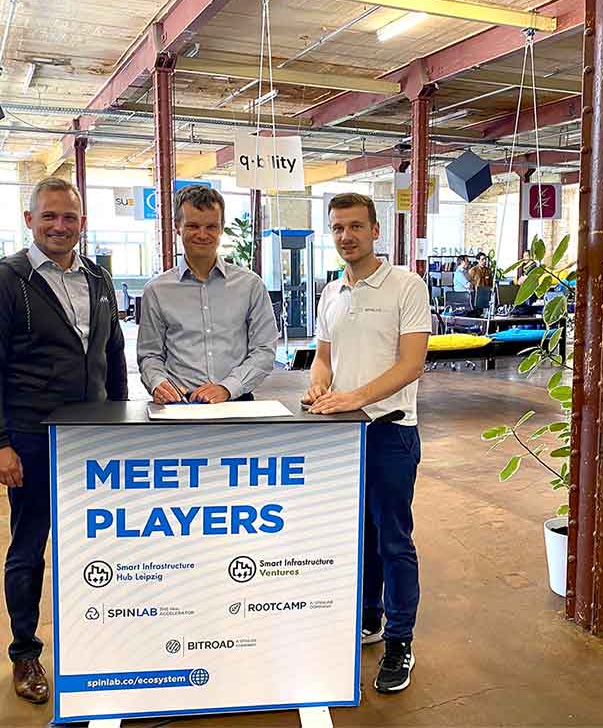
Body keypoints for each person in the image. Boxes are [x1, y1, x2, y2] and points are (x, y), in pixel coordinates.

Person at [0, 176, 126, 705]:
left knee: (100, 544)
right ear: (28, 220)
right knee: (30, 546)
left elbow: (113, 354)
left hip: (94, 438)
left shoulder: (99, 279)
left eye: (70, 217)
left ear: (82, 223)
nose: (61, 226)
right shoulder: (3, 282)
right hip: (32, 439)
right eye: (50, 216)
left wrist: (122, 420)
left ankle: (99, 639)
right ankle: (25, 652)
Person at [302, 192, 430, 694]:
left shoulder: (405, 285)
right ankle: (370, 618)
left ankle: (401, 641)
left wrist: (354, 396)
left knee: (394, 539)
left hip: (390, 431)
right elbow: (323, 358)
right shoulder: (331, 292)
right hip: (342, 435)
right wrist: (319, 384)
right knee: (359, 537)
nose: (346, 236)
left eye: (356, 226)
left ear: (376, 230)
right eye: (337, 228)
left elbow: (410, 364)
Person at [137, 185, 277, 404]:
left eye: (211, 226)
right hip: (179, 402)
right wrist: (158, 383)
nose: (202, 235)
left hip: (236, 401)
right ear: (177, 227)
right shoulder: (157, 290)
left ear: (221, 229)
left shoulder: (250, 285)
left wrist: (227, 387)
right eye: (192, 226)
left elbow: (264, 350)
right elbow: (149, 354)